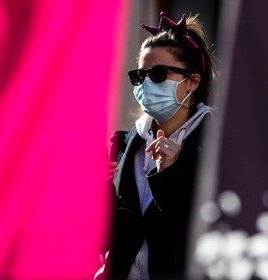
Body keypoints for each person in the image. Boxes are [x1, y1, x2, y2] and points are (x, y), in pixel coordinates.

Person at [101, 12, 216, 280]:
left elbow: (208, 231)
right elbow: (113, 240)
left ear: (193, 81)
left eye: (158, 73)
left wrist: (172, 176)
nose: (146, 84)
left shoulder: (215, 142)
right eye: (140, 75)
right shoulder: (123, 144)